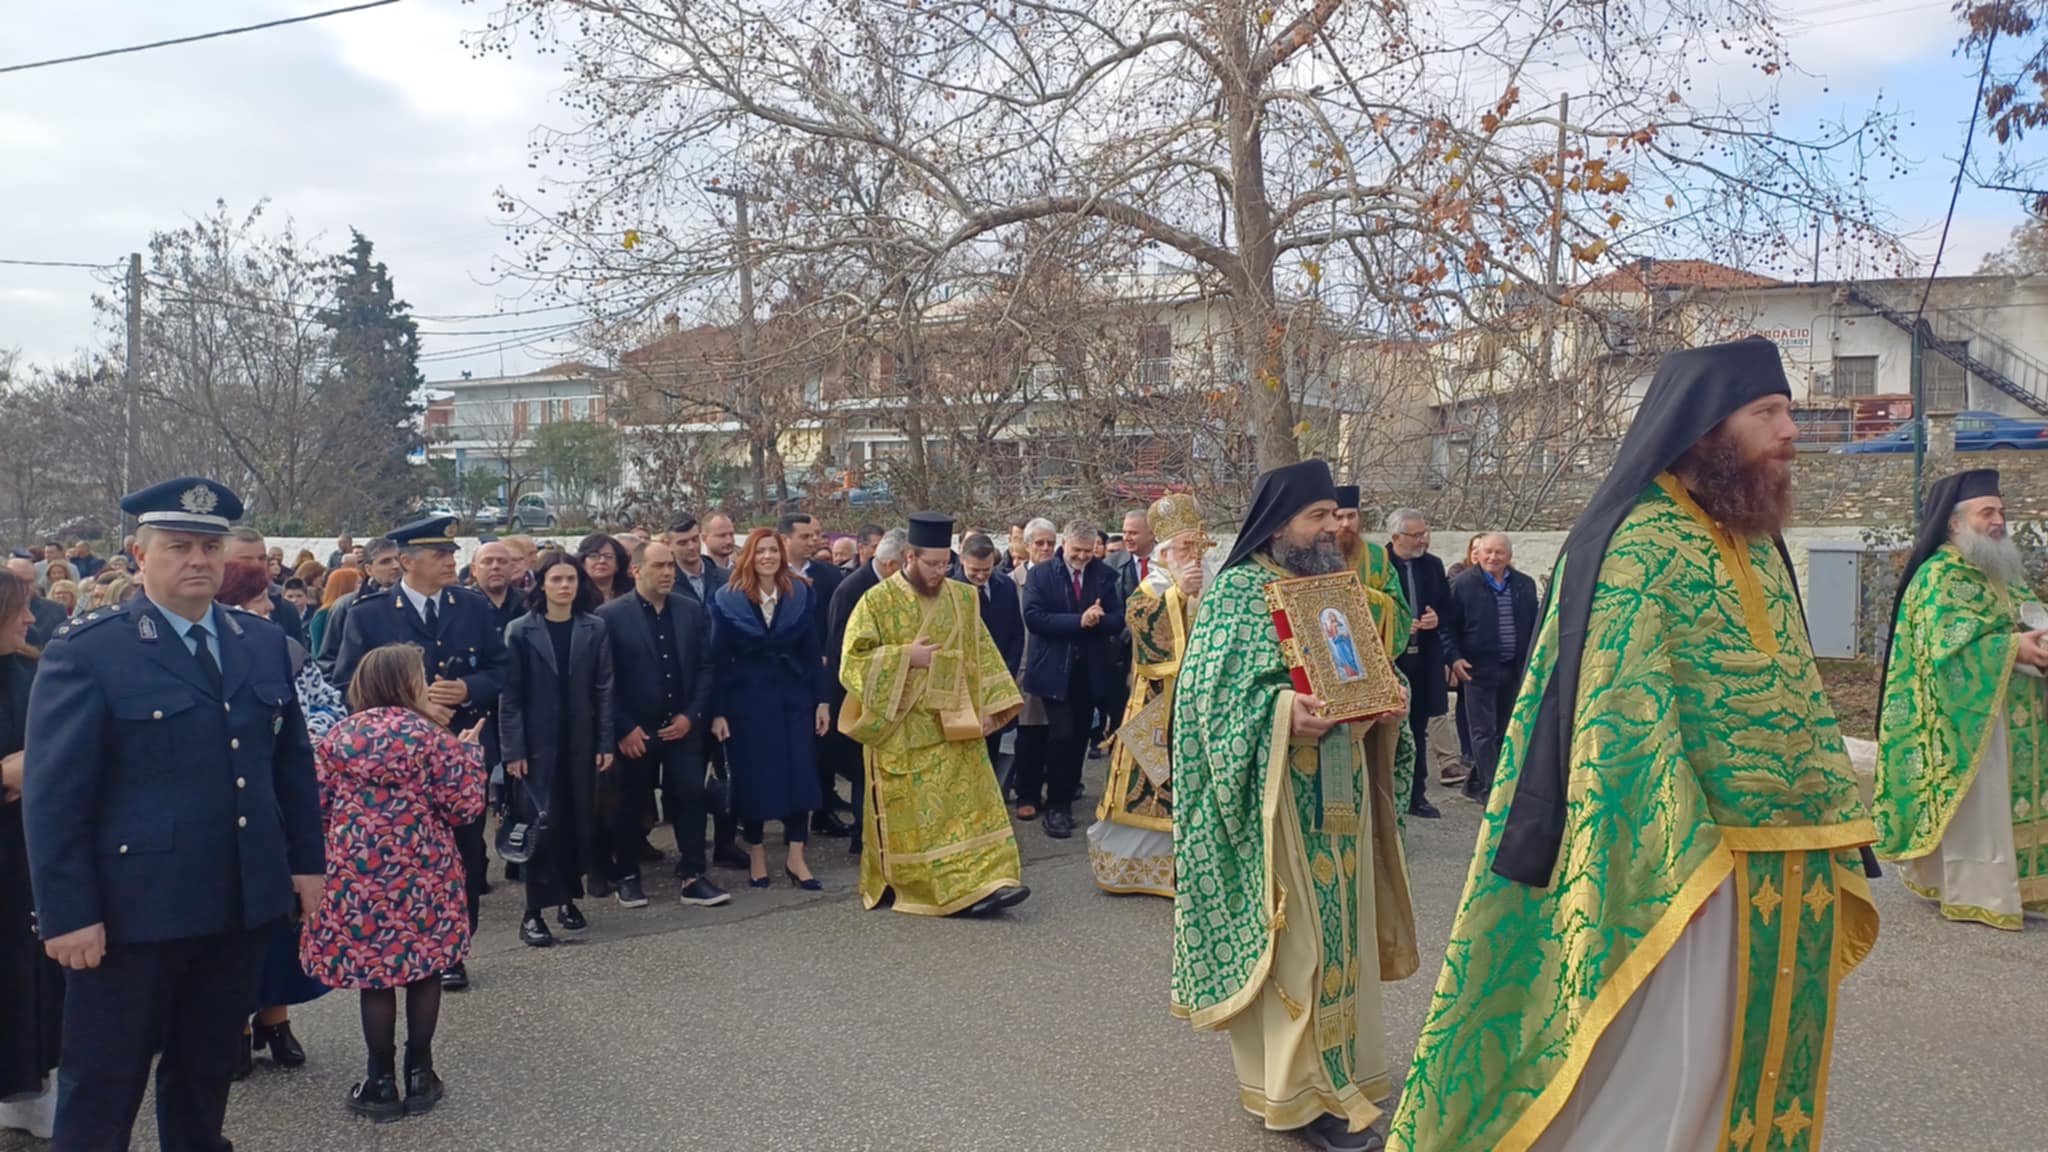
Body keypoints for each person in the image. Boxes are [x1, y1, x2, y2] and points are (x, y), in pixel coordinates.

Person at [1389, 338, 1882, 1151]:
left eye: (1788, 410)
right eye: (1768, 412)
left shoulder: (1754, 538)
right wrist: (1672, 836)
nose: (1791, 428)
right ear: (1705, 429)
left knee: (1735, 1054)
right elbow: (1620, 714)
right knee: (1670, 1058)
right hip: (1686, 857)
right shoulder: (1642, 543)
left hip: (1788, 849)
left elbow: (1795, 689)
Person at [24, 477, 324, 1152]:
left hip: (237, 903)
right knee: (104, 1082)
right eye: (179, 545)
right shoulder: (91, 649)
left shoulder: (259, 641)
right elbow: (55, 794)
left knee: (206, 1072)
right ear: (139, 553)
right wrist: (69, 911)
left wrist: (305, 863)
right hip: (132, 915)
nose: (198, 560)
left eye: (209, 547)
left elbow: (290, 763)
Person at [1170, 461, 1415, 1152]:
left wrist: (1390, 699)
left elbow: (1366, 674)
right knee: (1299, 950)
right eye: (1318, 517)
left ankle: (1345, 1073)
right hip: (1275, 804)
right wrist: (1283, 713)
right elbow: (1210, 703)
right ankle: (1297, 1098)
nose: (1334, 528)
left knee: (1343, 942)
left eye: (1337, 517)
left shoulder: (1334, 590)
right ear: (1279, 525)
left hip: (1338, 799)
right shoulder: (1238, 595)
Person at [304, 645, 487, 1120]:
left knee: (375, 975)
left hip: (357, 872)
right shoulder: (431, 737)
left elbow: (317, 809)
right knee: (424, 966)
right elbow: (464, 808)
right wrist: (468, 752)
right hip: (424, 867)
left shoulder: (339, 737)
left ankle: (380, 1080)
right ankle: (421, 1074)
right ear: (407, 683)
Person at [334, 515, 507, 992]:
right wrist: (412, 705)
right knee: (408, 854)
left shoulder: (470, 607)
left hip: (459, 747)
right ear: (407, 561)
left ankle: (454, 947)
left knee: (465, 848)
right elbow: (347, 684)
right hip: (397, 759)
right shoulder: (368, 614)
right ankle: (397, 942)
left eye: (452, 554)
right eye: (440, 555)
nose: (451, 561)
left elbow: (503, 671)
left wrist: (467, 687)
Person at [1875, 468, 2048, 929]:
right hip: (1969, 719)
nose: (1998, 521)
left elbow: (2021, 620)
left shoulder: (1998, 571)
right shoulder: (1939, 575)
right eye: (1986, 512)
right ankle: (1980, 892)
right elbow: (1949, 647)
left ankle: (2023, 888)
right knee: (1980, 807)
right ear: (1954, 523)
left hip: (2014, 712)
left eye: (2001, 512)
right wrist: (2016, 648)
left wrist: (2036, 642)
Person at [840, 513, 1029, 916]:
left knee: (967, 809)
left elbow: (982, 654)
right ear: (909, 557)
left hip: (956, 723)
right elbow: (852, 661)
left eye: (947, 563)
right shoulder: (877, 600)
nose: (942, 571)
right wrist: (907, 656)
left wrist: (990, 710)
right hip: (902, 730)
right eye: (933, 564)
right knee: (920, 820)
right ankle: (929, 890)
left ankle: (985, 882)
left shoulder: (963, 597)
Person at [213, 561, 333, 1078]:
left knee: (281, 922)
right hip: (219, 816)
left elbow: (325, 707)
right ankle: (233, 1027)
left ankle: (276, 1020)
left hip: (275, 808)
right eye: (258, 599)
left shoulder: (283, 648)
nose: (269, 607)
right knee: (228, 925)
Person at [596, 541, 726, 908]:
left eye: (670, 565)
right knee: (630, 802)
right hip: (635, 729)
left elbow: (706, 667)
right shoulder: (610, 616)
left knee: (690, 795)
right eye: (658, 566)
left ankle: (693, 875)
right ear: (637, 570)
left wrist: (692, 716)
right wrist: (622, 727)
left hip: (681, 726)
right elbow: (605, 679)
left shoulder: (689, 610)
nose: (667, 572)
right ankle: (627, 875)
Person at [1088, 493, 1205, 897]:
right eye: (1185, 548)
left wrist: (1194, 597)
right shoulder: (1153, 585)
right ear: (1167, 551)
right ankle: (1132, 869)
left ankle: (1184, 865)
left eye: (1197, 546)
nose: (1193, 555)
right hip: (1156, 698)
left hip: (1191, 699)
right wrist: (1179, 597)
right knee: (1147, 776)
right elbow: (1141, 622)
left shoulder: (1200, 582)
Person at [500, 553, 616, 945]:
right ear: (542, 584)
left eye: (570, 579)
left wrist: (605, 741)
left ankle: (567, 898)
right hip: (536, 745)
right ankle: (532, 911)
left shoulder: (594, 628)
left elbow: (604, 688)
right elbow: (510, 696)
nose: (564, 586)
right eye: (556, 579)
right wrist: (512, 750)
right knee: (540, 824)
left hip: (580, 741)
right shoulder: (520, 630)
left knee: (576, 821)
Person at [709, 530, 831, 889]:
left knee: (800, 773)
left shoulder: (800, 593)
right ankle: (758, 853)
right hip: (747, 699)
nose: (767, 557)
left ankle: (796, 856)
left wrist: (822, 700)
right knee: (755, 777)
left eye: (773, 550)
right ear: (749, 555)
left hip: (794, 695)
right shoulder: (726, 598)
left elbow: (812, 651)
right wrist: (717, 711)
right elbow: (716, 659)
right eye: (760, 550)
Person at [0, 574, 61, 1140]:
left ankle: (27, 1090)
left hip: (22, 852)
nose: (30, 620)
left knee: (24, 974)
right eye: (20, 610)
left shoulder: (31, 671)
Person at [1018, 521, 1126, 839]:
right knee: (1061, 735)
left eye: (1086, 551)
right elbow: (1035, 618)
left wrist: (1100, 618)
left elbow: (1120, 617)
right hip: (1054, 669)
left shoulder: (1104, 575)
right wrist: (1080, 620)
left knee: (1079, 736)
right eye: (1075, 550)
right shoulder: (1042, 574)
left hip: (1090, 670)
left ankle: (1066, 791)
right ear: (1064, 544)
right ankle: (1056, 806)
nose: (1080, 557)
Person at [824, 528, 907, 854]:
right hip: (857, 694)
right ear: (889, 564)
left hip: (889, 690)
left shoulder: (890, 587)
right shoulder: (853, 590)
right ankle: (863, 837)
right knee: (863, 770)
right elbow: (844, 649)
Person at [1440, 532, 1536, 802]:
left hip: (1513, 669)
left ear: (1509, 556)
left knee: (1507, 728)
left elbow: (1534, 626)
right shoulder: (1462, 585)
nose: (1493, 557)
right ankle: (1492, 791)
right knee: (1483, 732)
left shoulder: (1524, 585)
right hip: (1477, 669)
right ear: (1478, 554)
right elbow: (1447, 628)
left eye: (1499, 553)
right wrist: (1454, 658)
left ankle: (1478, 782)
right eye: (1488, 552)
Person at [779, 513, 853, 836]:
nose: (813, 541)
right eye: (805, 536)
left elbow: (839, 620)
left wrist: (828, 654)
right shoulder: (771, 573)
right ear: (785, 539)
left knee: (824, 741)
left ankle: (823, 811)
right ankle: (786, 814)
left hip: (822, 671)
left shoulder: (828, 574)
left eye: (816, 535)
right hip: (784, 673)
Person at [1384, 509, 1450, 819]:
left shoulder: (1433, 565)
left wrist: (1436, 617)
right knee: (1388, 731)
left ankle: (1416, 796)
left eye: (1425, 532)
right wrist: (1395, 624)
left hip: (1423, 658)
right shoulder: (1378, 565)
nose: (1423, 539)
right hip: (1389, 660)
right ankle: (1384, 796)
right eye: (1416, 535)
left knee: (1418, 728)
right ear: (1396, 538)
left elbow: (1448, 608)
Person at [958, 533, 1024, 781]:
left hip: (997, 681)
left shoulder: (1005, 586)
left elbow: (1017, 632)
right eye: (975, 569)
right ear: (963, 560)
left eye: (987, 569)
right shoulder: (949, 588)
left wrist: (1006, 672)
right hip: (962, 686)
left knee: (992, 747)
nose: (981, 575)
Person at [1009, 517, 1059, 814]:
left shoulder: (1061, 577)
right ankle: (1026, 794)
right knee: (1028, 735)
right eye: (1039, 543)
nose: (1045, 548)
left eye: (1050, 543)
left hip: (1057, 668)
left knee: (1058, 736)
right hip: (1026, 665)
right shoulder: (1011, 581)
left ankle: (1055, 792)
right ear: (1026, 546)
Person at [225, 526, 307, 647]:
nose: (256, 565)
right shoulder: (207, 606)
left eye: (262, 558)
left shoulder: (284, 609)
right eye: (246, 559)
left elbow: (299, 659)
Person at [309, 568, 362, 657]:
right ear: (346, 585)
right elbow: (318, 651)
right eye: (359, 583)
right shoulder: (323, 615)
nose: (362, 587)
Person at [577, 532, 633, 603]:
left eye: (608, 556)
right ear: (582, 562)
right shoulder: (576, 596)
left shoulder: (630, 595)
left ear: (618, 564)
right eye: (594, 556)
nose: (602, 561)